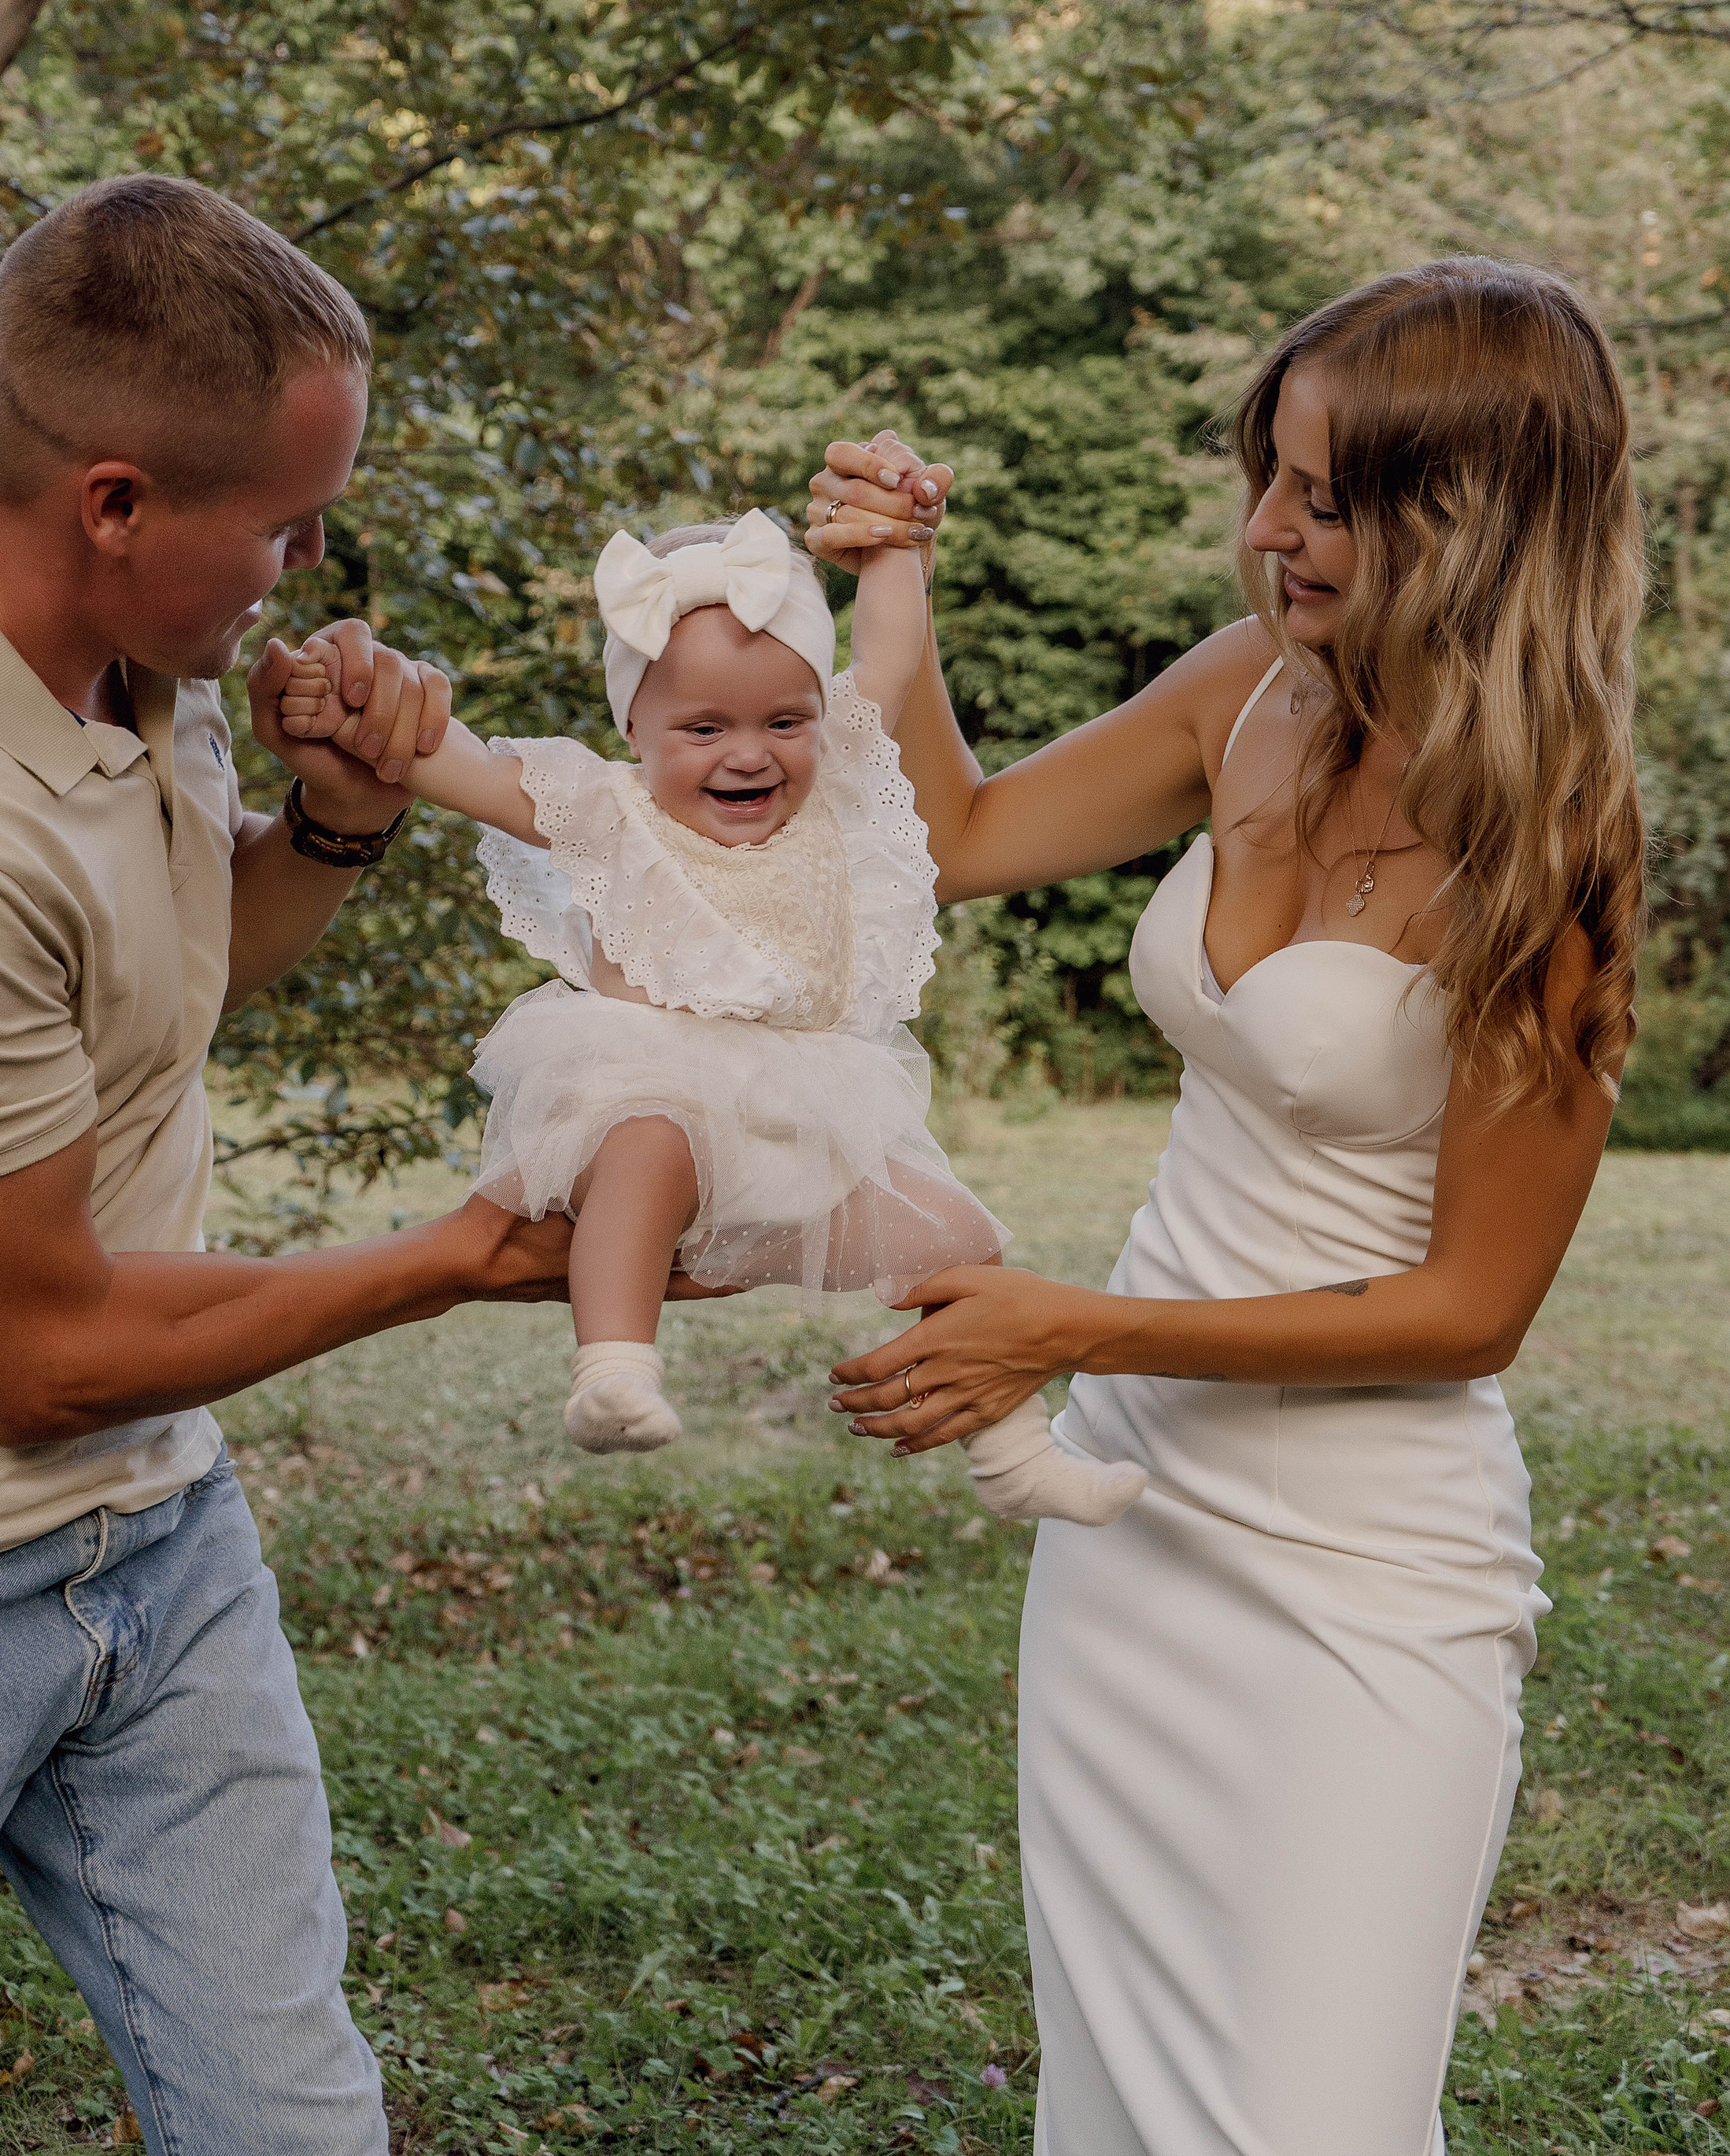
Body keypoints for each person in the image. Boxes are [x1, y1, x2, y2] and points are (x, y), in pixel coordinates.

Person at [0, 175, 589, 2156]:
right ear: (114, 501)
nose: (304, 565)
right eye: (280, 524)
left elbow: (153, 1011)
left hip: (154, 1531)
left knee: (292, 2118)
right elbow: (44, 1358)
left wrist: (339, 824)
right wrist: (455, 1256)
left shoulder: (114, 657)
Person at [805, 257, 1642, 2156]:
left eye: (1328, 496)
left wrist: (1069, 1322)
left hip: (1365, 1576)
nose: (1268, 530)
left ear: (1478, 517)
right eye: (1265, 473)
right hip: (1127, 1542)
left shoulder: (1555, 838)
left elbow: (1467, 1313)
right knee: (1111, 2114)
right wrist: (895, 587)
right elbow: (953, 842)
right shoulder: (1247, 691)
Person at [279, 504, 1144, 1527]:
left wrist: (899, 544)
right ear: (635, 727)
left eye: (785, 722)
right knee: (653, 1149)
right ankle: (613, 1367)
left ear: (819, 714)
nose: (750, 754)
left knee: (952, 1228)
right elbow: (451, 762)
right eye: (703, 729)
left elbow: (894, 651)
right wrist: (347, 704)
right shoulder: (608, 806)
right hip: (636, 1095)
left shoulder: (838, 792)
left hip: (796, 1118)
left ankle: (1013, 1454)